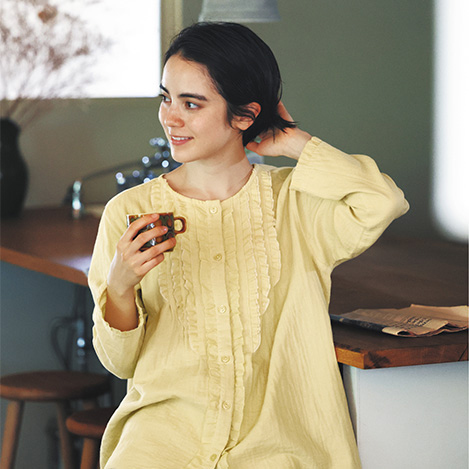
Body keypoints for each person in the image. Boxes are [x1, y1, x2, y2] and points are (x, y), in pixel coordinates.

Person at [89, 22, 409, 469]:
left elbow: (383, 201)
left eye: (191, 103)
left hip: (279, 448)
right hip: (163, 443)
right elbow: (119, 363)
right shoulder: (129, 210)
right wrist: (120, 287)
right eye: (166, 98)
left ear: (244, 116)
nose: (170, 118)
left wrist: (296, 142)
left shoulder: (297, 203)